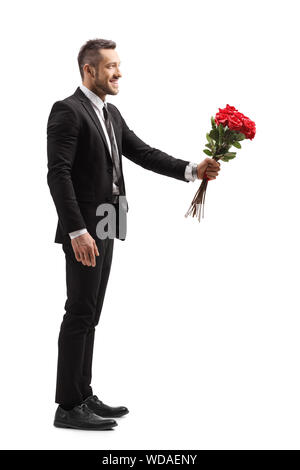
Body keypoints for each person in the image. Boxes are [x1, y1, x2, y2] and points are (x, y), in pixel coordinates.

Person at [47, 38, 221, 431]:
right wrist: (76, 230)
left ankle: (83, 392)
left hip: (110, 218)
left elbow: (143, 153)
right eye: (111, 66)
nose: (119, 72)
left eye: (118, 65)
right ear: (89, 70)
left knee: (92, 313)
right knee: (78, 312)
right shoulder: (67, 111)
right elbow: (57, 174)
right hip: (85, 227)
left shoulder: (111, 114)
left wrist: (194, 168)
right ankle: (67, 406)